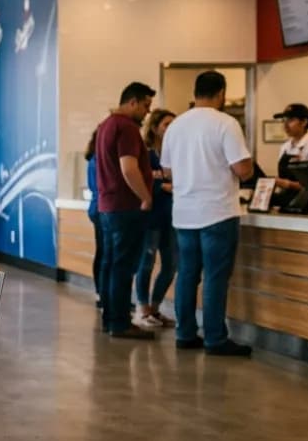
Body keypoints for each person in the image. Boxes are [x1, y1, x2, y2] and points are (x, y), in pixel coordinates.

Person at [160, 71, 254, 357]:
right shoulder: (225, 123)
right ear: (221, 93)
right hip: (218, 212)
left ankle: (185, 334)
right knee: (214, 277)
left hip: (184, 213)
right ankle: (215, 338)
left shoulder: (176, 125)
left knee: (187, 274)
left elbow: (167, 172)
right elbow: (243, 170)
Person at [94, 82, 157, 340]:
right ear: (132, 102)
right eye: (145, 106)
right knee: (123, 267)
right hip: (126, 207)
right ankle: (120, 323)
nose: (147, 112)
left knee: (110, 265)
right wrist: (145, 197)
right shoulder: (127, 128)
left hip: (108, 207)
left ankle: (110, 318)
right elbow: (129, 168)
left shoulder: (106, 125)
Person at [133, 109, 177, 330]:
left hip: (172, 218)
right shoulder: (146, 154)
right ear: (155, 127)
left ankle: (155, 307)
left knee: (171, 265)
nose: (170, 128)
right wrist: (165, 186)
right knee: (146, 263)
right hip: (150, 217)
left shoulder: (177, 152)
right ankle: (142, 309)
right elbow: (143, 181)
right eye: (166, 124)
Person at [272, 103, 308, 196]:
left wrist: (289, 184)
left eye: (291, 120)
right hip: (286, 198)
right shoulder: (285, 147)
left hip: (306, 201)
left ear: (304, 122)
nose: (285, 125)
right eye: (284, 121)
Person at [85, 128, 104, 312]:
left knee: (104, 252)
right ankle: (101, 292)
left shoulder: (96, 159)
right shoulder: (98, 160)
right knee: (104, 252)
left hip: (97, 208)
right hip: (100, 208)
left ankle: (103, 292)